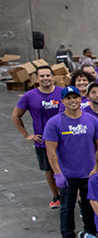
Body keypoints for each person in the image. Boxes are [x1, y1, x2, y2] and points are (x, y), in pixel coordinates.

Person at [43, 86, 98, 238]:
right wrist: (58, 173)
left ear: (81, 99)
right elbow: (51, 151)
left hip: (89, 173)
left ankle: (89, 235)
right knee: (67, 207)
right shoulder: (54, 123)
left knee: (88, 205)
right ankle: (68, 237)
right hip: (68, 175)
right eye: (68, 98)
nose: (72, 101)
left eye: (75, 97)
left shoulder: (91, 120)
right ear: (63, 101)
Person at [11, 66, 64, 207]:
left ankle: (72, 195)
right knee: (49, 169)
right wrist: (26, 134)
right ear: (36, 78)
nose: (45, 78)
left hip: (64, 138)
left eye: (48, 75)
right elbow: (16, 115)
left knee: (67, 167)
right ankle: (56, 196)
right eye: (42, 76)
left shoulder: (62, 93)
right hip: (43, 141)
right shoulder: (29, 96)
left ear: (53, 77)